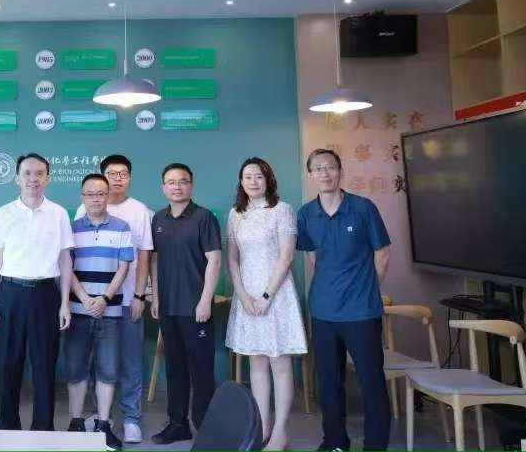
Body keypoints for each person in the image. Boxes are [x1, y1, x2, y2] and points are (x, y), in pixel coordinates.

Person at [297, 148, 391, 451]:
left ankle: (376, 444)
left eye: (330, 167)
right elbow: (313, 255)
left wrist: (365, 287)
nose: (325, 173)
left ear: (340, 171)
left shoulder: (363, 208)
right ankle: (335, 441)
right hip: (323, 311)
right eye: (318, 168)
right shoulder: (306, 214)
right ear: (311, 175)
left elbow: (382, 253)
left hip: (361, 311)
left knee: (370, 379)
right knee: (329, 381)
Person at [0, 153, 73, 431]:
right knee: (8, 364)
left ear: (48, 178)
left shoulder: (58, 213)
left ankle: (43, 428)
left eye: (39, 173)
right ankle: (7, 426)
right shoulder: (3, 214)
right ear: (17, 178)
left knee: (44, 365)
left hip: (46, 294)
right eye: (27, 173)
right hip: (10, 294)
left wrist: (65, 303)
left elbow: (65, 260)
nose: (33, 179)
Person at [225, 157, 307, 450]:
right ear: (241, 182)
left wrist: (266, 296)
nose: (253, 181)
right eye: (247, 176)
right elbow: (232, 259)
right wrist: (243, 295)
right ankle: (261, 428)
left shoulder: (282, 210)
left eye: (259, 176)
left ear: (268, 179)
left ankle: (280, 431)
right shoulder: (236, 214)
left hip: (276, 295)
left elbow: (286, 256)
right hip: (247, 296)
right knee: (256, 363)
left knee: (280, 364)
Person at [75, 154, 153, 444]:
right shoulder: (83, 209)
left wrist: (139, 295)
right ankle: (101, 415)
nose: (118, 178)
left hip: (127, 297)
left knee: (131, 359)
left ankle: (132, 418)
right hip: (92, 302)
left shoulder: (139, 210)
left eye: (123, 174)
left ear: (130, 178)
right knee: (97, 362)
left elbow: (144, 255)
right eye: (112, 173)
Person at [149, 162, 221, 445]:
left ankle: (206, 427)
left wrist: (205, 301)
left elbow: (214, 260)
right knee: (175, 367)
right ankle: (177, 424)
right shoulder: (158, 219)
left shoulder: (204, 217)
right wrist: (156, 297)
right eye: (171, 182)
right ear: (162, 187)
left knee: (201, 369)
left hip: (196, 308)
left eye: (182, 181)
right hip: (168, 307)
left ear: (191, 185)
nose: (176, 186)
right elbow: (155, 259)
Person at [65, 174, 132, 450]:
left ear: (108, 196)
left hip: (110, 311)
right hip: (77, 310)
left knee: (108, 370)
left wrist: (104, 298)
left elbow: (124, 267)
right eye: (90, 194)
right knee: (75, 369)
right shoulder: (70, 228)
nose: (96, 198)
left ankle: (103, 425)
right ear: (82, 197)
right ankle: (76, 423)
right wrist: (84, 297)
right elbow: (65, 267)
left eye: (101, 193)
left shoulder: (122, 227)